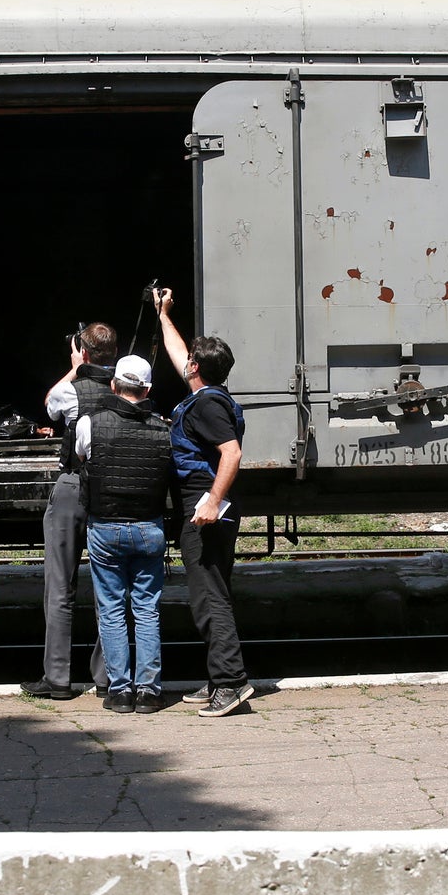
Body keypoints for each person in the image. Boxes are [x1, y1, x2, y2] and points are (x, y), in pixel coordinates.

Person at [152, 290, 255, 717]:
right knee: (211, 592)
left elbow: (231, 454)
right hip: (205, 504)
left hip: (205, 507)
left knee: (208, 597)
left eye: (190, 359)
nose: (184, 361)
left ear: (197, 368)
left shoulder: (208, 405)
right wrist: (163, 315)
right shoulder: (208, 393)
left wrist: (211, 502)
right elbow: (180, 354)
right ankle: (218, 678)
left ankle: (231, 683)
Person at [22, 323, 117, 699]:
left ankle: (57, 679)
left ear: (85, 352)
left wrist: (76, 367)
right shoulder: (125, 386)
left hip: (74, 485)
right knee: (110, 588)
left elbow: (50, 404)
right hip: (111, 490)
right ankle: (108, 677)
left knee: (60, 586)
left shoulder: (71, 390)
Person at [75, 354, 172, 713]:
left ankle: (120, 692)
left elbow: (82, 459)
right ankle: (149, 691)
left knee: (112, 609)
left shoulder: (90, 423)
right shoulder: (165, 428)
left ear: (114, 384)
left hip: (105, 526)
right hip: (149, 528)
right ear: (147, 389)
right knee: (147, 609)